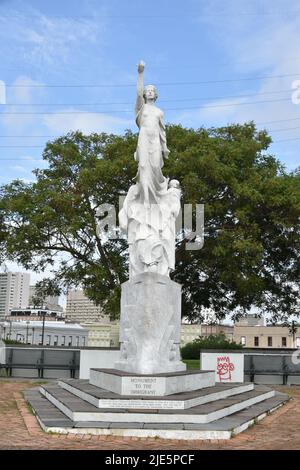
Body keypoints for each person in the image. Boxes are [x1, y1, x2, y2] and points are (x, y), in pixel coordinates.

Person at [134, 60, 169, 206]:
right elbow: (137, 93)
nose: (149, 92)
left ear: (155, 95)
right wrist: (140, 74)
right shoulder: (141, 108)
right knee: (143, 167)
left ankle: (157, 198)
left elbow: (162, 131)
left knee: (155, 167)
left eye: (151, 91)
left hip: (155, 140)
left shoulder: (159, 112)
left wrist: (164, 147)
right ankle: (145, 200)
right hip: (143, 138)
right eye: (147, 90)